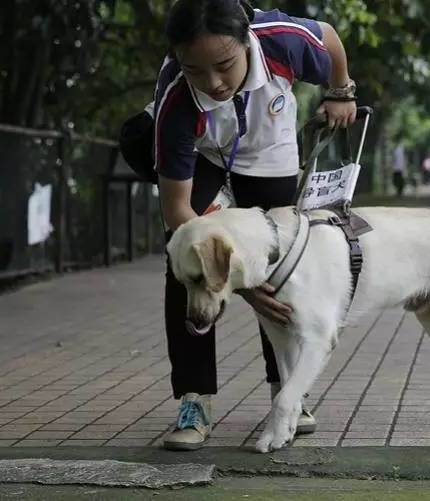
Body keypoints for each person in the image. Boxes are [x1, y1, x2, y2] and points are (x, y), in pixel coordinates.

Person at [153, 0, 357, 450]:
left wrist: (341, 90)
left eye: (225, 65)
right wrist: (236, 282)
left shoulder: (280, 39)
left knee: (282, 271)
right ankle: (194, 399)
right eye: (196, 71)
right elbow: (177, 214)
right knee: (185, 264)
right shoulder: (175, 96)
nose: (214, 83)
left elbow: (328, 35)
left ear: (246, 41)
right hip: (205, 158)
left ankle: (288, 391)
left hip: (269, 155)